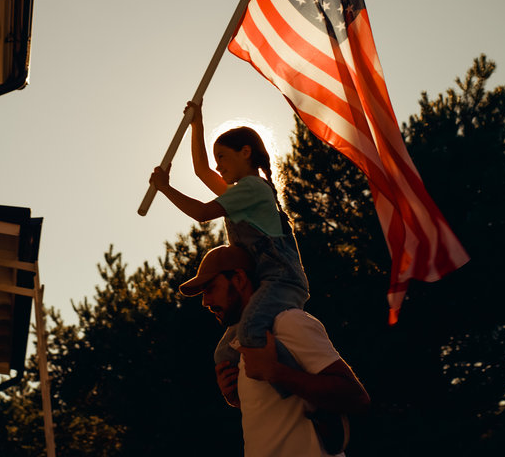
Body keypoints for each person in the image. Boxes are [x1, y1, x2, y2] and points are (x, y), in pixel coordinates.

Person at [150, 101, 309, 386]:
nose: (217, 165)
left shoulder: (252, 188)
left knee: (248, 332)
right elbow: (201, 170)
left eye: (222, 156)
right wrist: (197, 123)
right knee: (225, 351)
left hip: (281, 281)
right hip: (266, 283)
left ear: (245, 153)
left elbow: (202, 214)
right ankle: (243, 394)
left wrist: (165, 188)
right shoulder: (243, 194)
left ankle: (301, 383)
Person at [180, 245, 370, 456]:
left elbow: (356, 397)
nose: (206, 302)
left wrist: (276, 372)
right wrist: (237, 399)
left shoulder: (289, 321)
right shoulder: (242, 345)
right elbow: (281, 415)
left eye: (210, 289)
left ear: (240, 279)